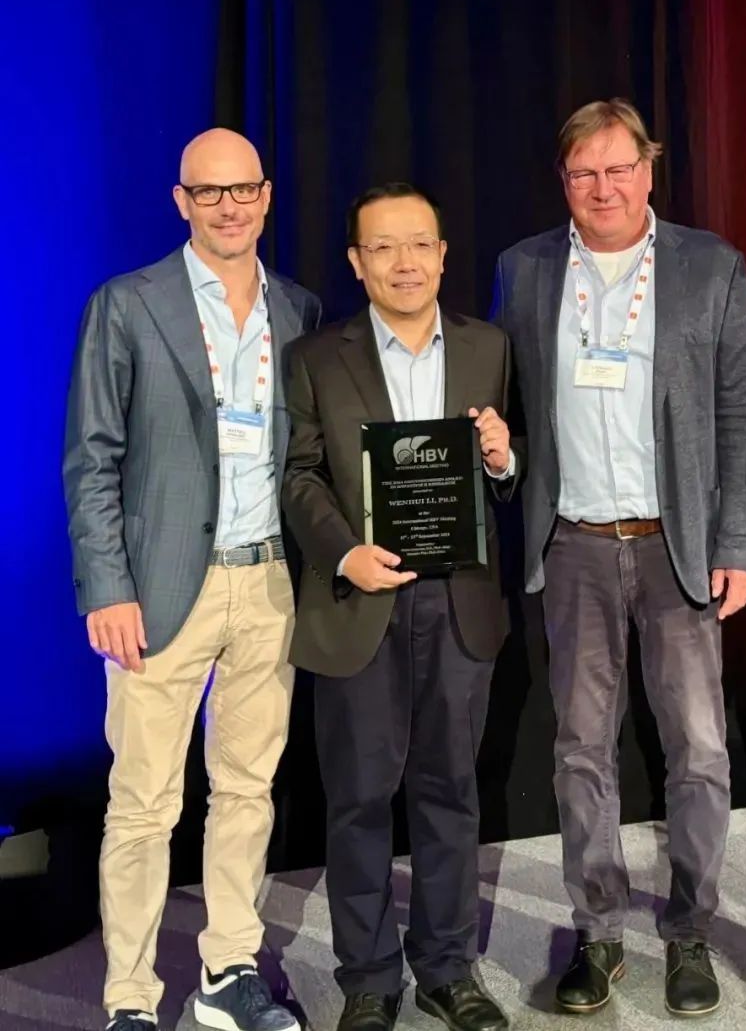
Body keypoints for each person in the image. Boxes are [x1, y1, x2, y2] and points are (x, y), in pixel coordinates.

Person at [492, 99, 746, 1017]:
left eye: (618, 168)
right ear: (563, 180)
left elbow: (739, 412)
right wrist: (503, 459)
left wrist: (736, 541)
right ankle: (599, 929)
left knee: (699, 748)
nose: (602, 188)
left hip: (675, 544)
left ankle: (689, 929)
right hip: (573, 543)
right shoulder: (524, 269)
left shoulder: (710, 266)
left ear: (649, 169)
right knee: (580, 748)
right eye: (583, 172)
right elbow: (511, 407)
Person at [63, 129, 322, 1031]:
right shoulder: (128, 303)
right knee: (143, 805)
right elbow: (91, 457)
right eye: (208, 192)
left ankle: (228, 971)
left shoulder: (298, 308)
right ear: (181, 201)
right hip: (161, 588)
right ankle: (129, 999)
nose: (228, 206)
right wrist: (106, 586)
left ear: (266, 195)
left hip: (270, 584)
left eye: (242, 189)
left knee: (247, 791)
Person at [282, 183, 517, 1031]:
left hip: (460, 604)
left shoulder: (490, 346)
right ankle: (370, 978)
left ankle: (449, 968)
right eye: (382, 247)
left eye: (419, 243)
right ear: (357, 262)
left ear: (444, 254)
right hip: (359, 603)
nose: (404, 262)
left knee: (451, 793)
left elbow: (513, 459)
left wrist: (503, 458)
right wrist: (344, 550)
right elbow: (299, 474)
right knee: (357, 799)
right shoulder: (316, 357)